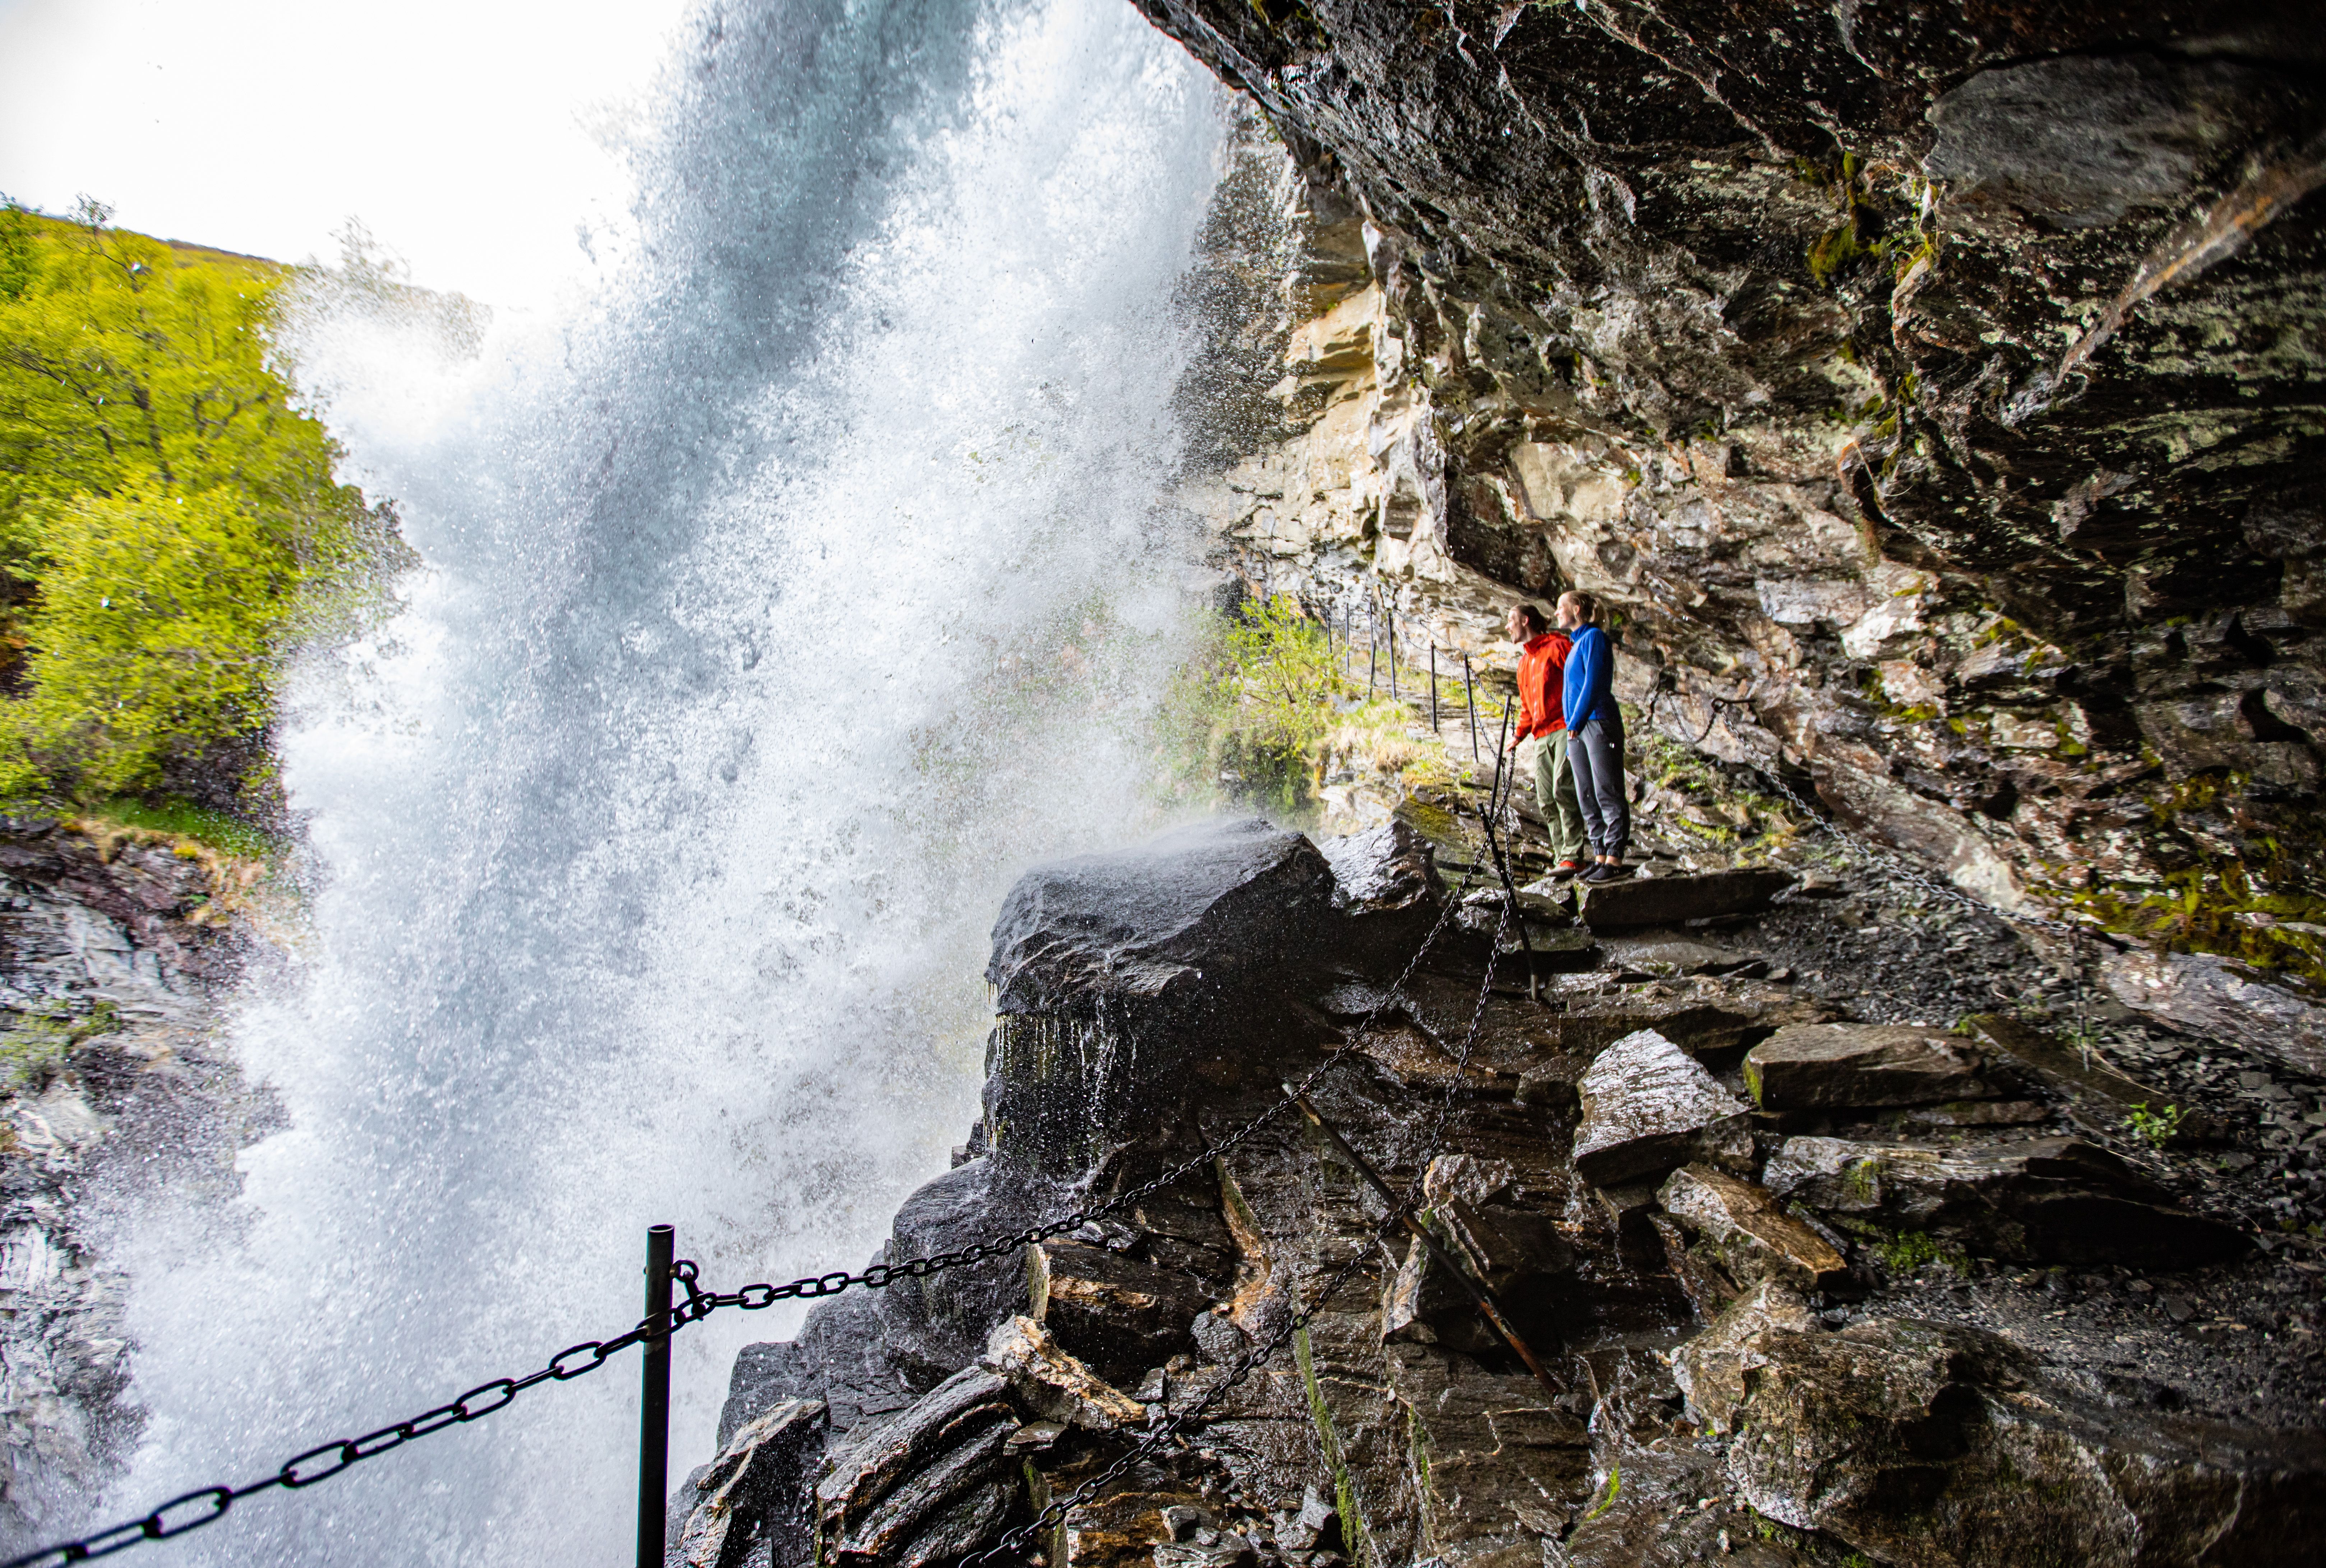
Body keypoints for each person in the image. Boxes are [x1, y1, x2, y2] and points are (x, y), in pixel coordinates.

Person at [1502, 602, 1587, 877]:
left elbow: (1579, 681)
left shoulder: (1559, 646)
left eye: (1511, 620)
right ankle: (1562, 856)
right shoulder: (1524, 662)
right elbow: (1528, 706)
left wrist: (1579, 718)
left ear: (1526, 621)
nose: (1507, 627)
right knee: (1546, 798)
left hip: (1565, 727)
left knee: (1564, 788)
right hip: (1541, 736)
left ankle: (1573, 856)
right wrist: (1519, 734)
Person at [1556, 589, 1629, 882]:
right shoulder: (1575, 644)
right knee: (1586, 793)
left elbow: (1594, 684)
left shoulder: (1594, 639)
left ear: (1576, 609)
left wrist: (1576, 719)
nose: (1556, 613)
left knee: (1607, 790)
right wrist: (1572, 725)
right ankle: (1599, 854)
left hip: (1598, 721)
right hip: (1578, 727)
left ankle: (1614, 858)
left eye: (1561, 607)